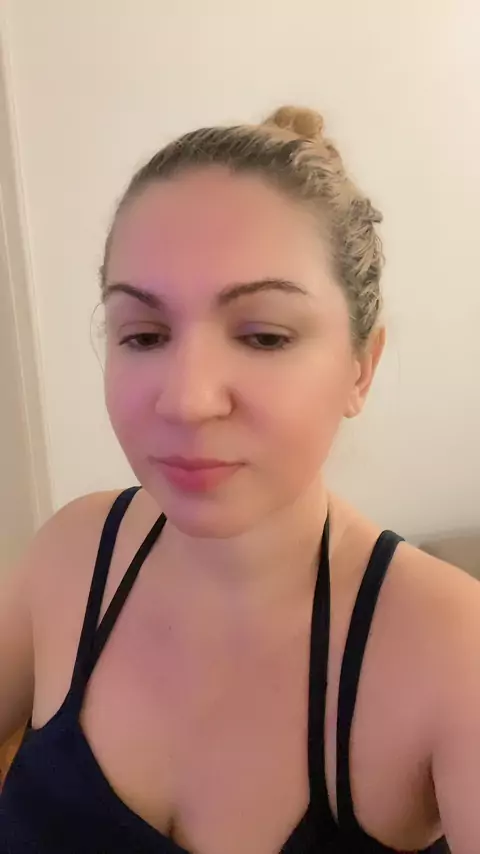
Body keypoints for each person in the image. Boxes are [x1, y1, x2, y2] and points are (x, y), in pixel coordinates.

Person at [0, 104, 476, 854]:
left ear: (361, 368)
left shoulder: (453, 651)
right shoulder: (70, 556)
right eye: (145, 335)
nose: (187, 399)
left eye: (263, 336)